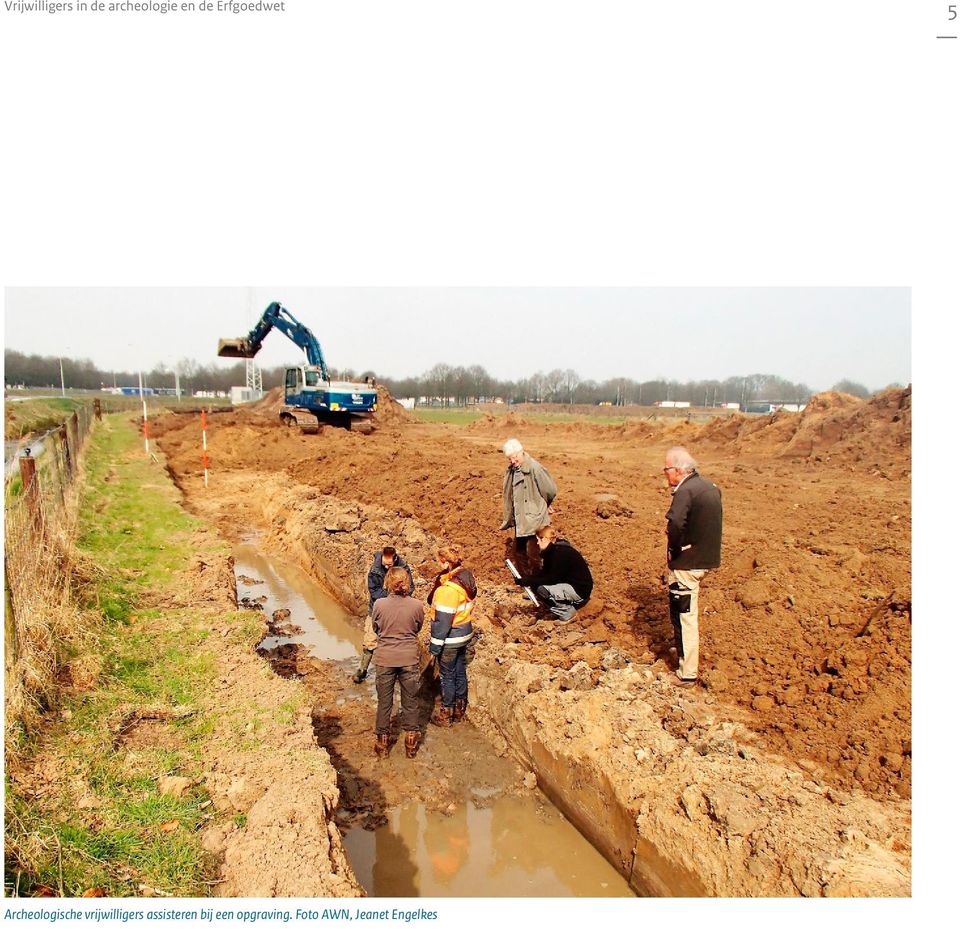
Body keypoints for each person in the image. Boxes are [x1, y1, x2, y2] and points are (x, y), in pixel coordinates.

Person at [663, 446, 722, 687]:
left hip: (687, 564)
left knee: (684, 614)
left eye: (666, 469)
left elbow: (675, 522)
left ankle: (687, 672)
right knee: (685, 610)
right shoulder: (709, 487)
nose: (665, 474)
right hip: (705, 559)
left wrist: (674, 548)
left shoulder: (685, 491)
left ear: (677, 470)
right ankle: (684, 657)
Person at [371, 566, 424, 758]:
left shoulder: (379, 604)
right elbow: (418, 627)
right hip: (409, 657)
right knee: (410, 701)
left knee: (385, 702)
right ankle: (411, 744)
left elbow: (376, 627)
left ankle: (382, 744)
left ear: (387, 584)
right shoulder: (417, 605)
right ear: (407, 583)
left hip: (385, 658)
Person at [427, 545, 477, 726]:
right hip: (464, 632)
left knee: (447, 675)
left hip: (451, 637)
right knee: (459, 669)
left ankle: (446, 714)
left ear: (446, 562)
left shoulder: (447, 590)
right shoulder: (467, 577)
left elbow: (442, 623)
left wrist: (434, 647)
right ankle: (459, 708)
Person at [353, 546, 415, 683]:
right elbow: (374, 592)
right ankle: (362, 669)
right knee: (370, 640)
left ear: (395, 559)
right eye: (385, 564)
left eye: (390, 564)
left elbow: (411, 588)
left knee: (398, 640)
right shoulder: (375, 570)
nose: (387, 567)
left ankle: (399, 672)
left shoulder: (403, 567)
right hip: (377, 609)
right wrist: (392, 595)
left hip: (399, 611)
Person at [500, 438, 557, 576]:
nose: (512, 461)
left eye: (514, 457)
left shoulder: (535, 468)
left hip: (535, 520)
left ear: (521, 452)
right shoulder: (513, 470)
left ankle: (540, 589)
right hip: (522, 520)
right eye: (509, 459)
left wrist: (544, 504)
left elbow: (550, 490)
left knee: (534, 556)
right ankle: (529, 586)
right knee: (518, 553)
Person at [515, 526, 593, 622]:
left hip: (580, 591)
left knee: (541, 588)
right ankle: (560, 608)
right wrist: (527, 580)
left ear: (547, 539)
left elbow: (552, 578)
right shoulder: (551, 552)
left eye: (539, 539)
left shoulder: (560, 553)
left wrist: (529, 581)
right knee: (536, 585)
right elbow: (545, 573)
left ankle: (568, 613)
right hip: (572, 586)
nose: (537, 543)